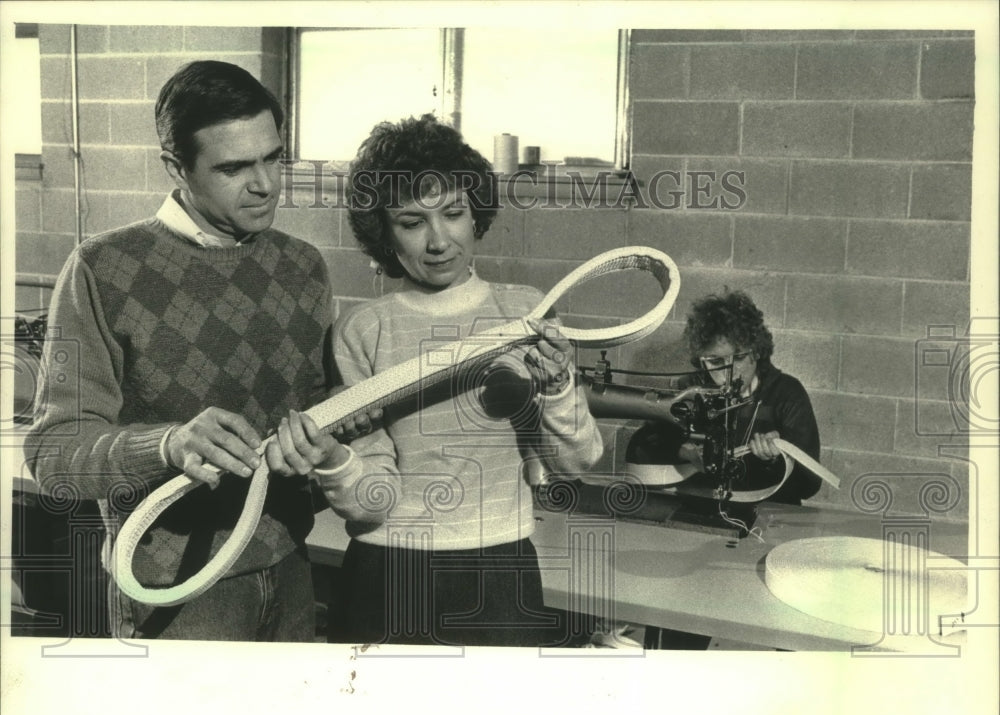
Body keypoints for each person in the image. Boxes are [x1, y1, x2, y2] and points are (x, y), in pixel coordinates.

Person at [25, 60, 338, 642]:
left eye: (273, 158)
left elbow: (327, 406)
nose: (265, 184)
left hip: (294, 569)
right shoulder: (101, 269)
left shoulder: (303, 265)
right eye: (234, 167)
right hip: (173, 590)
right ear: (177, 168)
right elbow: (52, 452)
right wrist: (167, 444)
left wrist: (320, 445)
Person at [267, 114, 605, 646]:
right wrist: (332, 458)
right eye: (410, 221)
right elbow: (369, 500)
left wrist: (560, 386)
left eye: (452, 213)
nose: (438, 240)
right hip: (386, 574)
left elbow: (575, 462)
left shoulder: (524, 312)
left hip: (499, 571)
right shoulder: (363, 329)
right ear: (384, 232)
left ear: (476, 215)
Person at [634, 289, 822, 649]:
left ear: (755, 352)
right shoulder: (693, 391)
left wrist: (777, 459)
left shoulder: (787, 394)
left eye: (732, 360)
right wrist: (683, 450)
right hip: (704, 521)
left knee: (774, 629)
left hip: (766, 524)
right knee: (676, 630)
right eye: (710, 361)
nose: (721, 372)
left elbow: (810, 482)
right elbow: (644, 444)